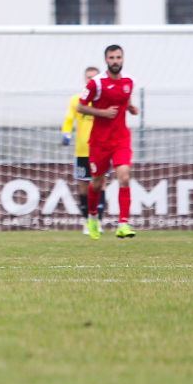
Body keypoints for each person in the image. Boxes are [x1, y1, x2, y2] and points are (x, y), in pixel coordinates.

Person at [76, 45, 139, 240]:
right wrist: (102, 113)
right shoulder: (96, 83)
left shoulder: (129, 81)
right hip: (99, 141)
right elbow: (80, 107)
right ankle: (93, 217)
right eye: (111, 57)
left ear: (123, 59)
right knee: (97, 183)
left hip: (121, 138)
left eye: (118, 57)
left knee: (124, 176)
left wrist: (130, 108)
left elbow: (124, 100)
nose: (115, 61)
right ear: (106, 60)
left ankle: (123, 223)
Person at [61, 66, 105, 234]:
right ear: (84, 80)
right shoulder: (76, 100)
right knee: (83, 187)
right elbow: (69, 119)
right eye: (88, 77)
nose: (91, 80)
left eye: (94, 77)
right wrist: (66, 133)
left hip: (101, 149)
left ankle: (98, 221)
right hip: (82, 150)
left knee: (101, 184)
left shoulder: (104, 99)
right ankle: (87, 220)